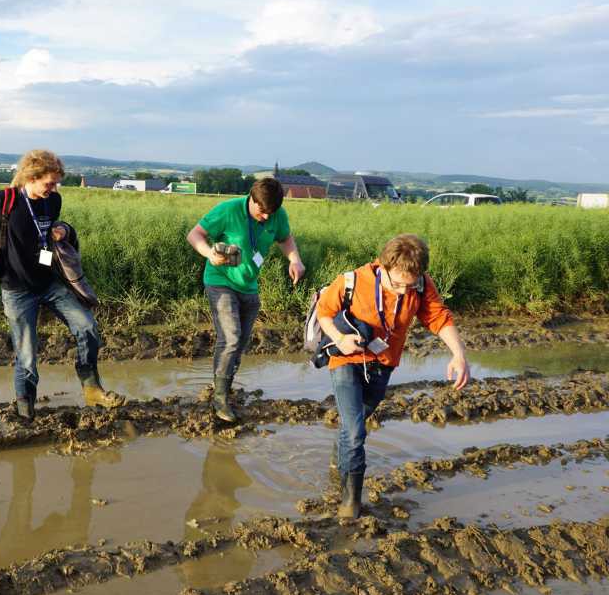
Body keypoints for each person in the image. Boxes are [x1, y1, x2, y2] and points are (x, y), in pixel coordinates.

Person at [316, 233, 470, 519]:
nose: (402, 291)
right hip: (347, 359)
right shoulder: (352, 281)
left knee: (355, 423)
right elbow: (324, 312)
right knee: (355, 431)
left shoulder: (420, 286)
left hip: (383, 364)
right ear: (383, 266)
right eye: (397, 283)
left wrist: (458, 354)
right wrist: (339, 338)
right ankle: (350, 504)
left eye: (409, 285)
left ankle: (340, 457)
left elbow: (439, 318)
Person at [0, 149, 124, 422]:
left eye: (56, 183)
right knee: (26, 354)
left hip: (50, 283)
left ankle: (92, 388)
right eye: (49, 183)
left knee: (87, 326)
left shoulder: (53, 200)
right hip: (16, 289)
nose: (53, 188)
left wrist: (64, 230)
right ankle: (26, 411)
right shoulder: (3, 200)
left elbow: (50, 229)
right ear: (31, 177)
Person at [186, 178, 305, 422]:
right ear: (252, 198)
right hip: (220, 281)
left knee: (239, 344)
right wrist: (209, 253)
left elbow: (285, 239)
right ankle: (220, 399)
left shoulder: (277, 215)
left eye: (271, 213)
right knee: (230, 338)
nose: (266, 217)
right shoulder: (228, 210)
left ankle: (223, 385)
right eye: (262, 211)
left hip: (249, 286)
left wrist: (295, 260)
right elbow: (195, 234)